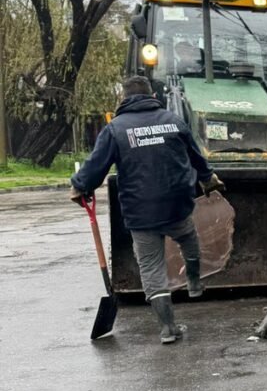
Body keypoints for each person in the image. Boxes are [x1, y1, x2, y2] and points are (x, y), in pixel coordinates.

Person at [71, 75, 224, 344]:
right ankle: (194, 281)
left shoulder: (116, 129)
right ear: (153, 96)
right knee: (188, 237)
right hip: (177, 205)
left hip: (141, 213)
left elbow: (96, 165)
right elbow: (196, 155)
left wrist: (79, 186)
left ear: (123, 100)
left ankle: (167, 328)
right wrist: (207, 177)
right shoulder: (173, 121)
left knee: (151, 268)